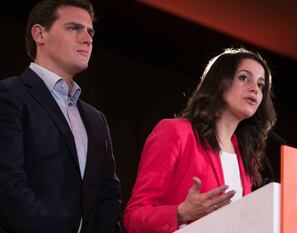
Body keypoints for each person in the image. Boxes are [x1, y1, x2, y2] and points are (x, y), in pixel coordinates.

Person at [123, 48, 277, 233]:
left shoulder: (244, 155)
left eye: (261, 85)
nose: (254, 89)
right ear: (219, 82)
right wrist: (180, 213)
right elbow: (134, 216)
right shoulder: (176, 132)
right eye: (244, 78)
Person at [0, 0, 121, 232]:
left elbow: (109, 196)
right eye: (74, 28)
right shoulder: (9, 96)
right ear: (39, 34)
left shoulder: (97, 120)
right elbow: (7, 188)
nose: (87, 39)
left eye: (90, 31)